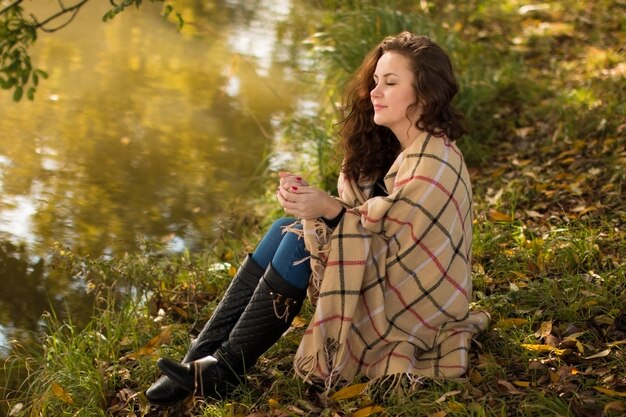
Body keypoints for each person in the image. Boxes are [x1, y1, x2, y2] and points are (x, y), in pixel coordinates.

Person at [145, 31, 489, 405]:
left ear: (424, 94)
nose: (375, 91)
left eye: (390, 83)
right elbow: (365, 222)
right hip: (384, 271)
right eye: (375, 81)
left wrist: (325, 209)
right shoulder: (394, 146)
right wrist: (311, 204)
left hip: (413, 302)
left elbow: (394, 242)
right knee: (286, 228)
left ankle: (224, 369)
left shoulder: (434, 162)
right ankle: (200, 361)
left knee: (296, 239)